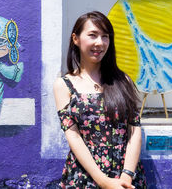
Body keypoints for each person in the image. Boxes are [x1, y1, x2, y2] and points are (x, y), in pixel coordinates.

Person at [53, 11, 146, 188]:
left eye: (105, 37)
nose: (100, 43)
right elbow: (73, 136)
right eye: (92, 35)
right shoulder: (64, 85)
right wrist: (103, 181)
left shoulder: (122, 80)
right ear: (76, 39)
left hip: (126, 177)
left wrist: (127, 176)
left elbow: (134, 131)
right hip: (85, 177)